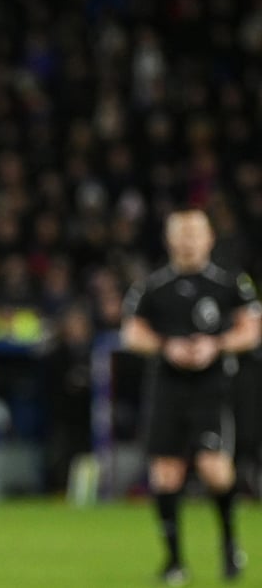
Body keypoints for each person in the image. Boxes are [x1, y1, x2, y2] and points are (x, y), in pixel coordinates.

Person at [121, 208, 262, 585]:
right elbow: (132, 334)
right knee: (166, 475)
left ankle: (230, 545)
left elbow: (252, 330)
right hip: (167, 388)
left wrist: (215, 346)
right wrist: (166, 346)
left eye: (194, 234)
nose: (187, 241)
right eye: (181, 234)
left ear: (209, 238)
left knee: (214, 469)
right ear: (170, 240)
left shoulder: (231, 283)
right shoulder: (151, 287)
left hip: (213, 389)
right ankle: (173, 562)